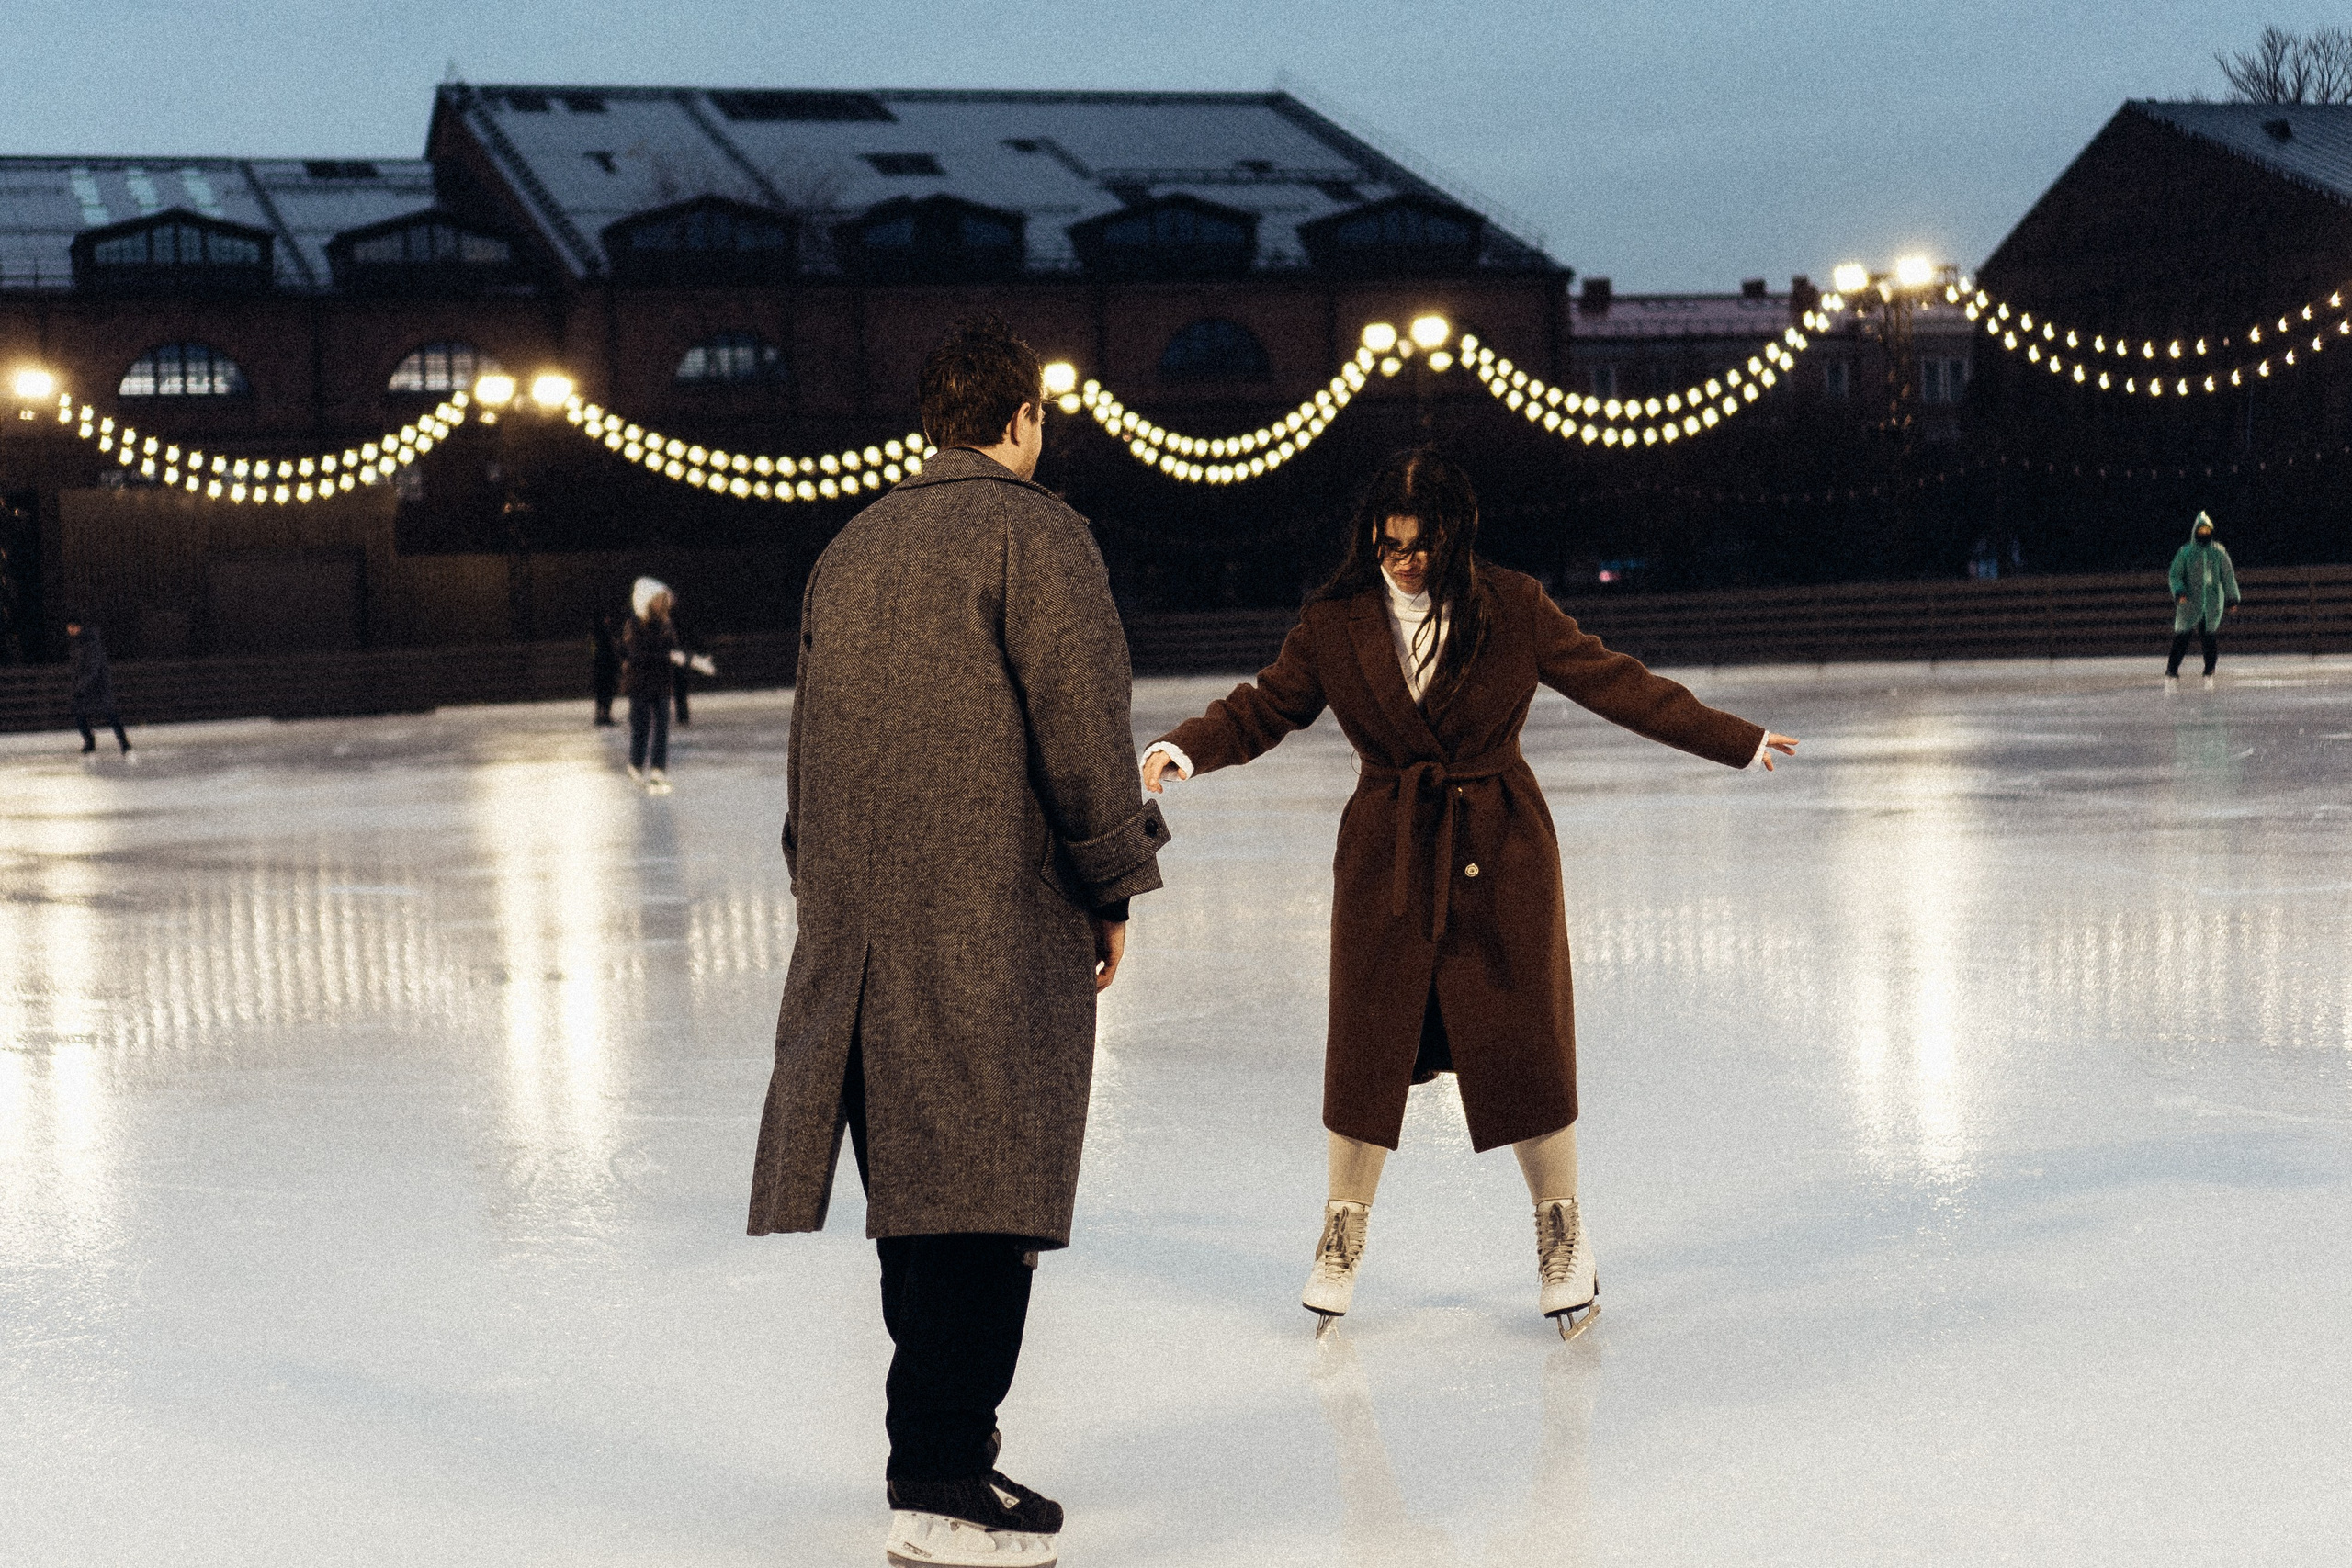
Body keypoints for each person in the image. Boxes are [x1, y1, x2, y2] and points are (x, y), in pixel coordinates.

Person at [1141, 447, 1796, 1341]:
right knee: (1367, 1051)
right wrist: (1187, 747)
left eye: (1420, 544)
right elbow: (1266, 704)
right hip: (1388, 857)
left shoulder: (1513, 607)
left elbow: (1617, 684)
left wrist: (1735, 739)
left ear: (1455, 535)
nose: (1404, 561)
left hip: (1500, 847)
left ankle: (1561, 1230)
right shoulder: (1336, 623)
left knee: (1525, 1046)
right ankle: (1341, 1231)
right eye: (1389, 543)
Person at [748, 317, 1167, 1568]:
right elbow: (1086, 733)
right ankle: (934, 1481)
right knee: (984, 1201)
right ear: (1026, 415)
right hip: (992, 921)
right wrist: (1113, 882)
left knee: (923, 1206)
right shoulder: (1037, 534)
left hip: (867, 933)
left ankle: (950, 1453)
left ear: (935, 421)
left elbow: (805, 753)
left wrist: (823, 897)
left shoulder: (850, 545)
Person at [620, 578, 712, 792]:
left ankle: (657, 770)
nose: (662, 604)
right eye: (658, 600)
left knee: (662, 728)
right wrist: (670, 657)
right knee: (641, 728)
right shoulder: (634, 624)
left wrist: (692, 660)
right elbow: (637, 654)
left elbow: (674, 650)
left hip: (661, 684)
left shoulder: (666, 625)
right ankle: (635, 765)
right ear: (647, 602)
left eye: (664, 600)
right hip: (640, 684)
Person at [2167, 511, 2240, 685]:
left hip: (2212, 603)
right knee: (2182, 637)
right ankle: (2172, 669)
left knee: (2209, 637)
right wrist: (2179, 591)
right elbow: (2175, 575)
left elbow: (2227, 576)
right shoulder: (2185, 553)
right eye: (2201, 531)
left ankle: (2209, 669)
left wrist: (2232, 598)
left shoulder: (2218, 553)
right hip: (2190, 602)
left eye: (2207, 531)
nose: (2204, 534)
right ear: (2195, 532)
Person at [64, 617, 131, 757]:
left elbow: (93, 668)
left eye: (73, 627)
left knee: (110, 714)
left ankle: (124, 742)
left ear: (80, 627)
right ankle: (90, 742)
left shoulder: (91, 644)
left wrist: (81, 685)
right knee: (79, 714)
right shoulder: (78, 643)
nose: (70, 630)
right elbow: (77, 667)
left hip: (97, 686)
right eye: (69, 627)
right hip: (85, 686)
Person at [590, 614, 620, 727]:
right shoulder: (605, 634)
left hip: (600, 667)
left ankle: (600, 715)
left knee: (601, 693)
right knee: (607, 692)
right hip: (606, 667)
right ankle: (605, 715)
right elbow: (611, 651)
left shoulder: (597, 635)